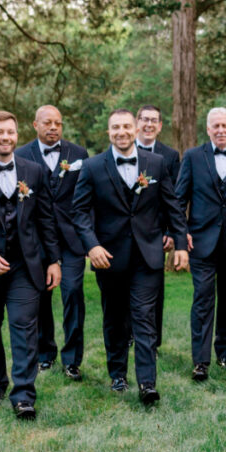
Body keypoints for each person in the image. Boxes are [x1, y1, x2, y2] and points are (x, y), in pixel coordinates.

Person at [71, 108, 189, 404]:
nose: (121, 132)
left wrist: (181, 246)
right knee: (114, 318)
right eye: (115, 127)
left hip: (147, 256)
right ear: (108, 132)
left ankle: (147, 383)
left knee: (144, 318)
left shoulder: (157, 163)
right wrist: (92, 245)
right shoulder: (93, 166)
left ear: (136, 129)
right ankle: (118, 375)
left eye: (126, 126)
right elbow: (79, 211)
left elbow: (172, 206)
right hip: (108, 257)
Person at [0, 111, 61, 419]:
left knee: (24, 327)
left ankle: (23, 395)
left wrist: (54, 261)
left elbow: (45, 220)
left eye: (10, 132)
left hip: (25, 265)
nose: (6, 137)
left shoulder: (33, 171)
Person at [175, 108, 226, 381]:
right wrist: (182, 232)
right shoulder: (194, 157)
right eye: (215, 126)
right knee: (203, 299)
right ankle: (201, 361)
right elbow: (178, 198)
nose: (220, 130)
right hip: (200, 242)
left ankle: (225, 354)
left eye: (224, 125)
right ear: (207, 130)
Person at [15, 105, 88, 380]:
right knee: (40, 298)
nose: (54, 127)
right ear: (35, 125)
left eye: (58, 123)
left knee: (73, 293)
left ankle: (72, 359)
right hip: (36, 241)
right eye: (48, 123)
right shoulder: (20, 155)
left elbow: (87, 195)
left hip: (71, 240)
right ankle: (45, 353)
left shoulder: (78, 154)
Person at [135, 104, 180, 349]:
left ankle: (154, 339)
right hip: (125, 233)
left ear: (160, 126)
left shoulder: (169, 157)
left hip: (156, 234)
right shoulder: (123, 151)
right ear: (136, 123)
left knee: (154, 288)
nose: (149, 124)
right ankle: (129, 334)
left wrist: (172, 233)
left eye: (154, 120)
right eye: (145, 119)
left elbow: (173, 198)